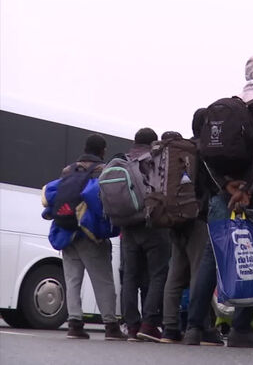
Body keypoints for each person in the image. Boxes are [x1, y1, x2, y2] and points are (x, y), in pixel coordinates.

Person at [183, 54, 253, 348]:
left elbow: (204, 150)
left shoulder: (228, 104)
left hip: (223, 191)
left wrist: (226, 185)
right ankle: (242, 328)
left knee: (213, 256)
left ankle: (194, 327)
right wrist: (248, 188)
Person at [48, 134, 125, 340]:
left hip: (66, 230)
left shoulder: (68, 170)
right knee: (103, 281)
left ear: (85, 148)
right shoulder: (103, 170)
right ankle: (111, 326)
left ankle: (74, 324)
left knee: (72, 280)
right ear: (103, 151)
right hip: (91, 235)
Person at [160, 120, 210, 343]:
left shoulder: (177, 152)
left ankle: (169, 328)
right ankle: (197, 326)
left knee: (175, 276)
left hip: (174, 219)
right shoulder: (201, 152)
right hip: (197, 218)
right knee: (199, 273)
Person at [121, 127, 171, 342]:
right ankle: (149, 323)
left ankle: (131, 326)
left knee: (130, 276)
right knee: (158, 273)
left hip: (127, 226)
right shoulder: (153, 159)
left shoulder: (122, 161)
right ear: (153, 143)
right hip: (152, 224)